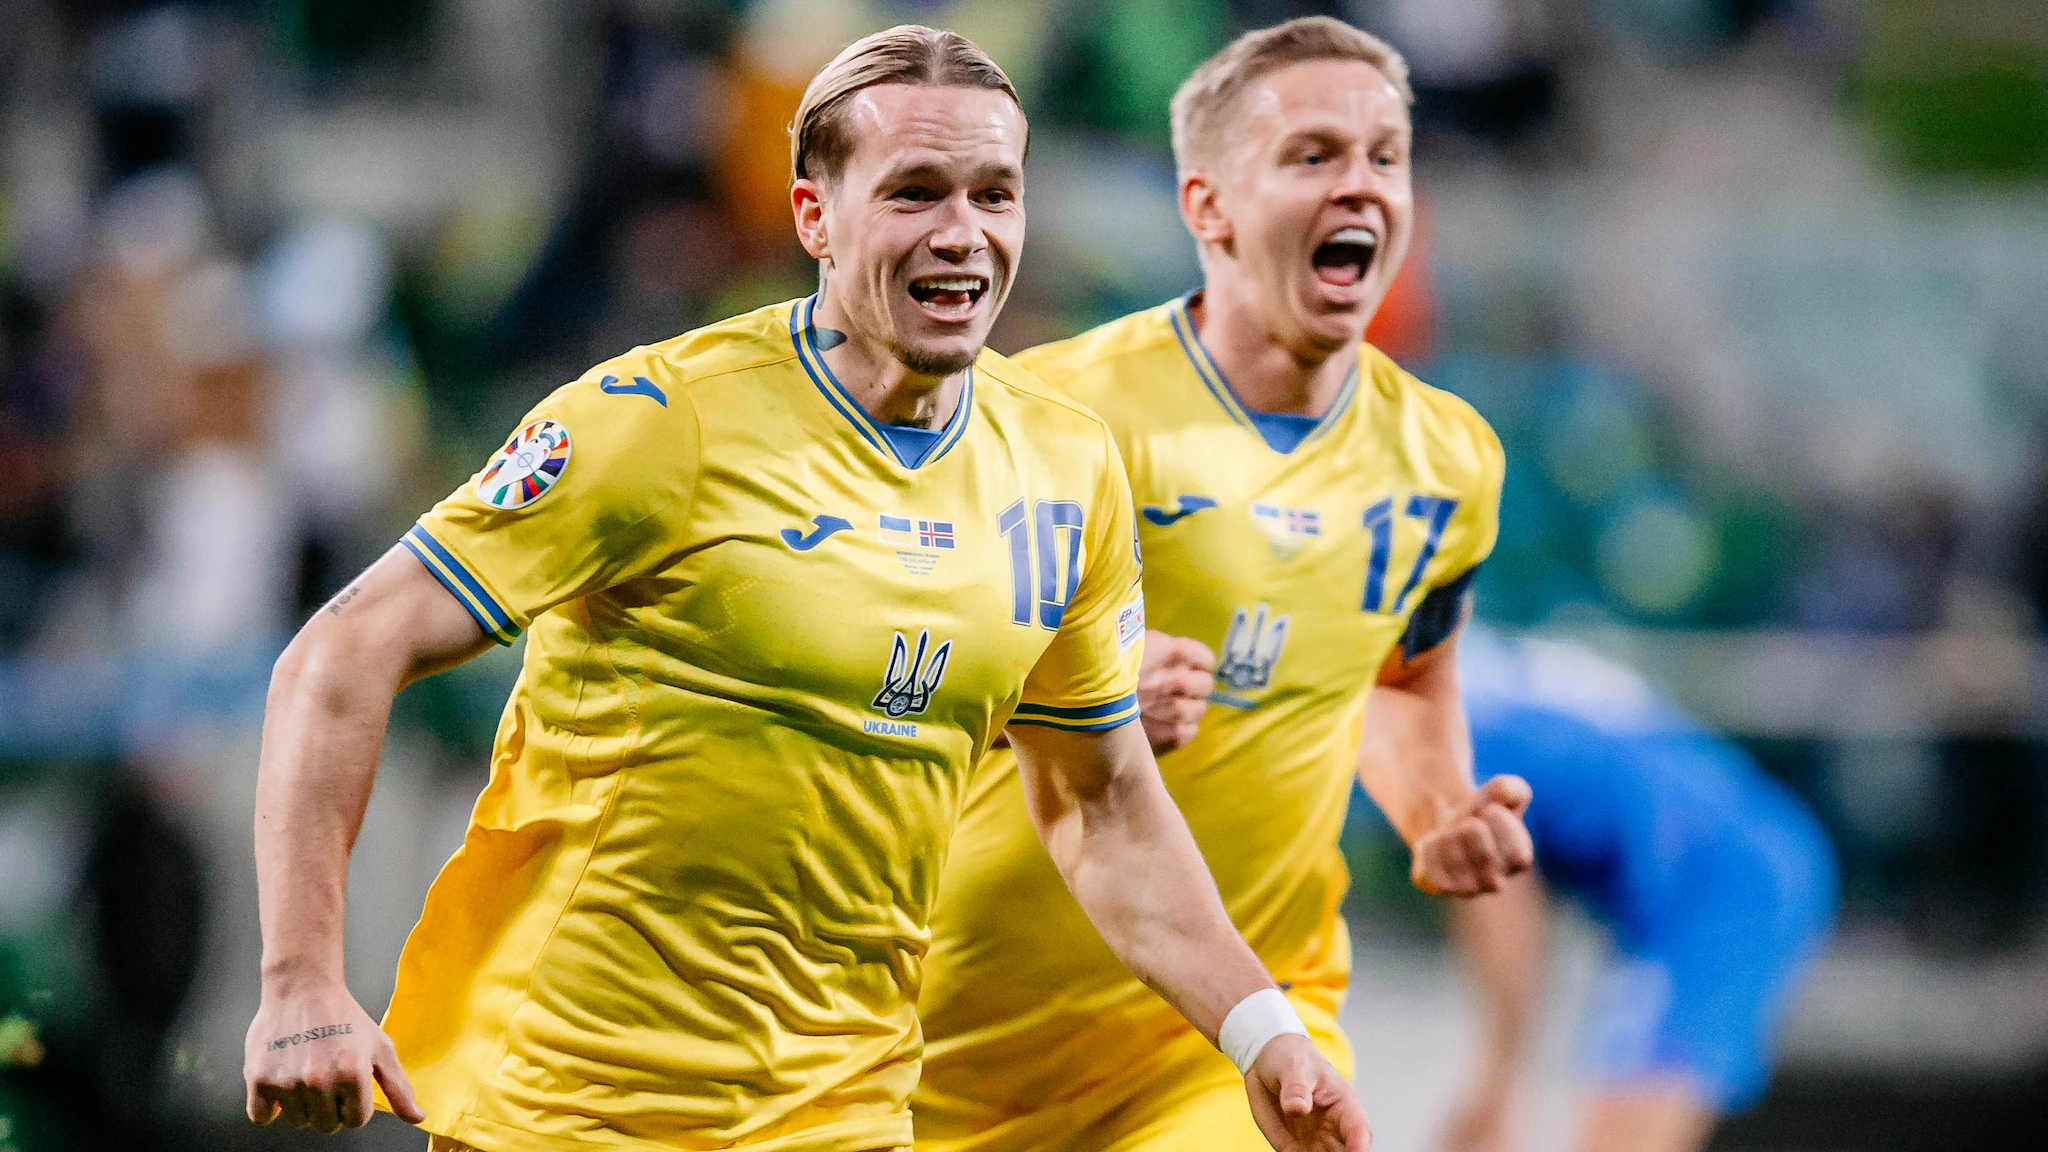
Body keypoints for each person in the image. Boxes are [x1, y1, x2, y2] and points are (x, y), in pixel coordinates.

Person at [240, 26, 1368, 1152]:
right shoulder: (661, 422)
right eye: (914, 193)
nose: (962, 234)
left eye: (994, 193)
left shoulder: (1067, 469)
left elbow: (1101, 802)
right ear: (813, 216)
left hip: (845, 1115)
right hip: (567, 1109)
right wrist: (299, 979)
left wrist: (1260, 1029)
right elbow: (342, 652)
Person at [914, 18, 1531, 1152]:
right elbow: (877, 660)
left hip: (1227, 1042)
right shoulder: (1034, 417)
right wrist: (1056, 690)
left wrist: (1436, 805)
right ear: (1207, 206)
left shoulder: (1449, 459)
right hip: (936, 1047)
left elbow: (1400, 676)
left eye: (1384, 157)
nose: (1362, 187)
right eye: (1312, 156)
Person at [1434, 627, 1837, 1152]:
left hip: (1718, 888)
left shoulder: (1422, 724)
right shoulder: (1459, 664)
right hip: (1719, 859)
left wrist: (1499, 1084)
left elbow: (1498, 897)